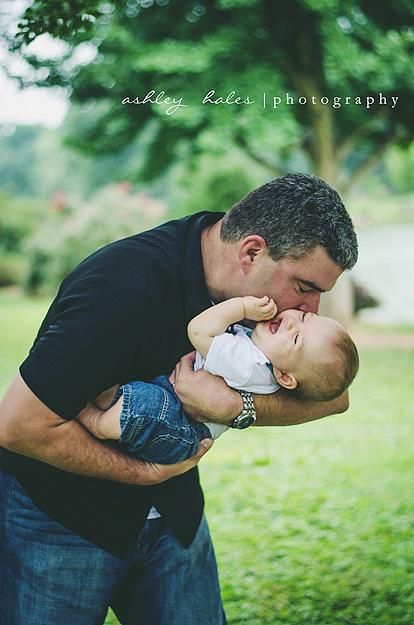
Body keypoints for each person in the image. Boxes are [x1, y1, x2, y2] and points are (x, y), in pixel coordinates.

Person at [0, 173, 358, 625]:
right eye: (306, 288)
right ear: (251, 252)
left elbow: (334, 398)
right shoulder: (120, 288)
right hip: (59, 523)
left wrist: (234, 407)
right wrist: (142, 474)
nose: (309, 311)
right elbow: (16, 426)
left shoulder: (265, 311)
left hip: (175, 517)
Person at [79, 296, 359, 463]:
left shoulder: (249, 364)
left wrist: (242, 307)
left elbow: (199, 331)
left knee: (145, 407)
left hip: (181, 429)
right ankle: (106, 399)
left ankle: (97, 423)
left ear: (285, 376)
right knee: (134, 395)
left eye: (296, 338)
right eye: (304, 316)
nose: (291, 322)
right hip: (179, 412)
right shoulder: (264, 355)